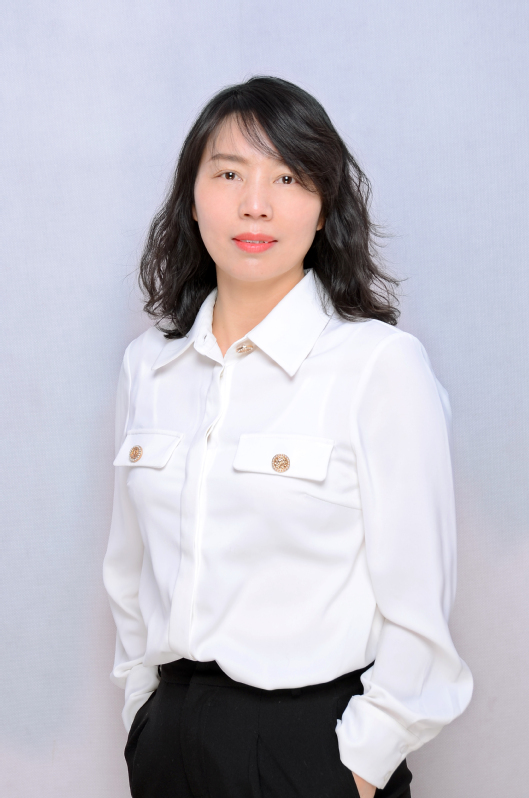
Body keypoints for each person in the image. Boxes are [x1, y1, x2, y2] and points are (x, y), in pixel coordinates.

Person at [103, 76, 473, 798]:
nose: (256, 204)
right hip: (170, 743)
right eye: (228, 174)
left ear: (324, 206)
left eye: (288, 178)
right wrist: (142, 714)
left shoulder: (378, 365)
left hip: (310, 750)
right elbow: (128, 568)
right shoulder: (148, 365)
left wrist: (358, 767)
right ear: (191, 197)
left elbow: (419, 600)